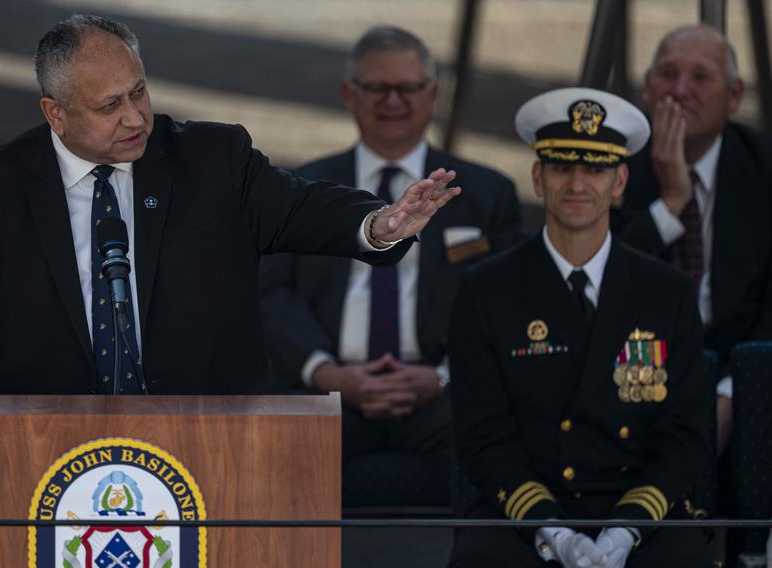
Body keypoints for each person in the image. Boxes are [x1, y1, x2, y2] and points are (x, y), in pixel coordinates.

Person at [0, 15, 461, 443]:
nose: (134, 117)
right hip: (45, 447)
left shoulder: (211, 159)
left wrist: (380, 223)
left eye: (139, 92)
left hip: (207, 441)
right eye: (109, 106)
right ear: (55, 113)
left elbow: (299, 207)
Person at [448, 87, 710, 567]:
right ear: (538, 177)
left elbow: (686, 434)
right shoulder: (486, 289)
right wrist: (554, 531)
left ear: (620, 181)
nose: (577, 183)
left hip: (637, 509)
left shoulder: (666, 291)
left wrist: (627, 529)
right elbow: (482, 435)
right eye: (561, 167)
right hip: (526, 510)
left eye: (595, 168)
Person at [259, 26, 520, 489]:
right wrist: (326, 373)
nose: (392, 100)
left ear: (434, 93)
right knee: (273, 473)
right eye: (376, 87)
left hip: (442, 392)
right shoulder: (302, 190)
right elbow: (270, 292)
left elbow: (505, 304)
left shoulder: (486, 194)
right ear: (349, 95)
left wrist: (441, 377)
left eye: (408, 87)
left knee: (498, 452)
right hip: (326, 389)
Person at [611, 25, 772, 455]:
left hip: (742, 370)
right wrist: (672, 202)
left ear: (734, 95)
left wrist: (733, 394)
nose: (680, 91)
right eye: (667, 74)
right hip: (633, 370)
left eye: (700, 78)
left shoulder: (763, 168)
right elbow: (604, 282)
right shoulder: (611, 168)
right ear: (647, 89)